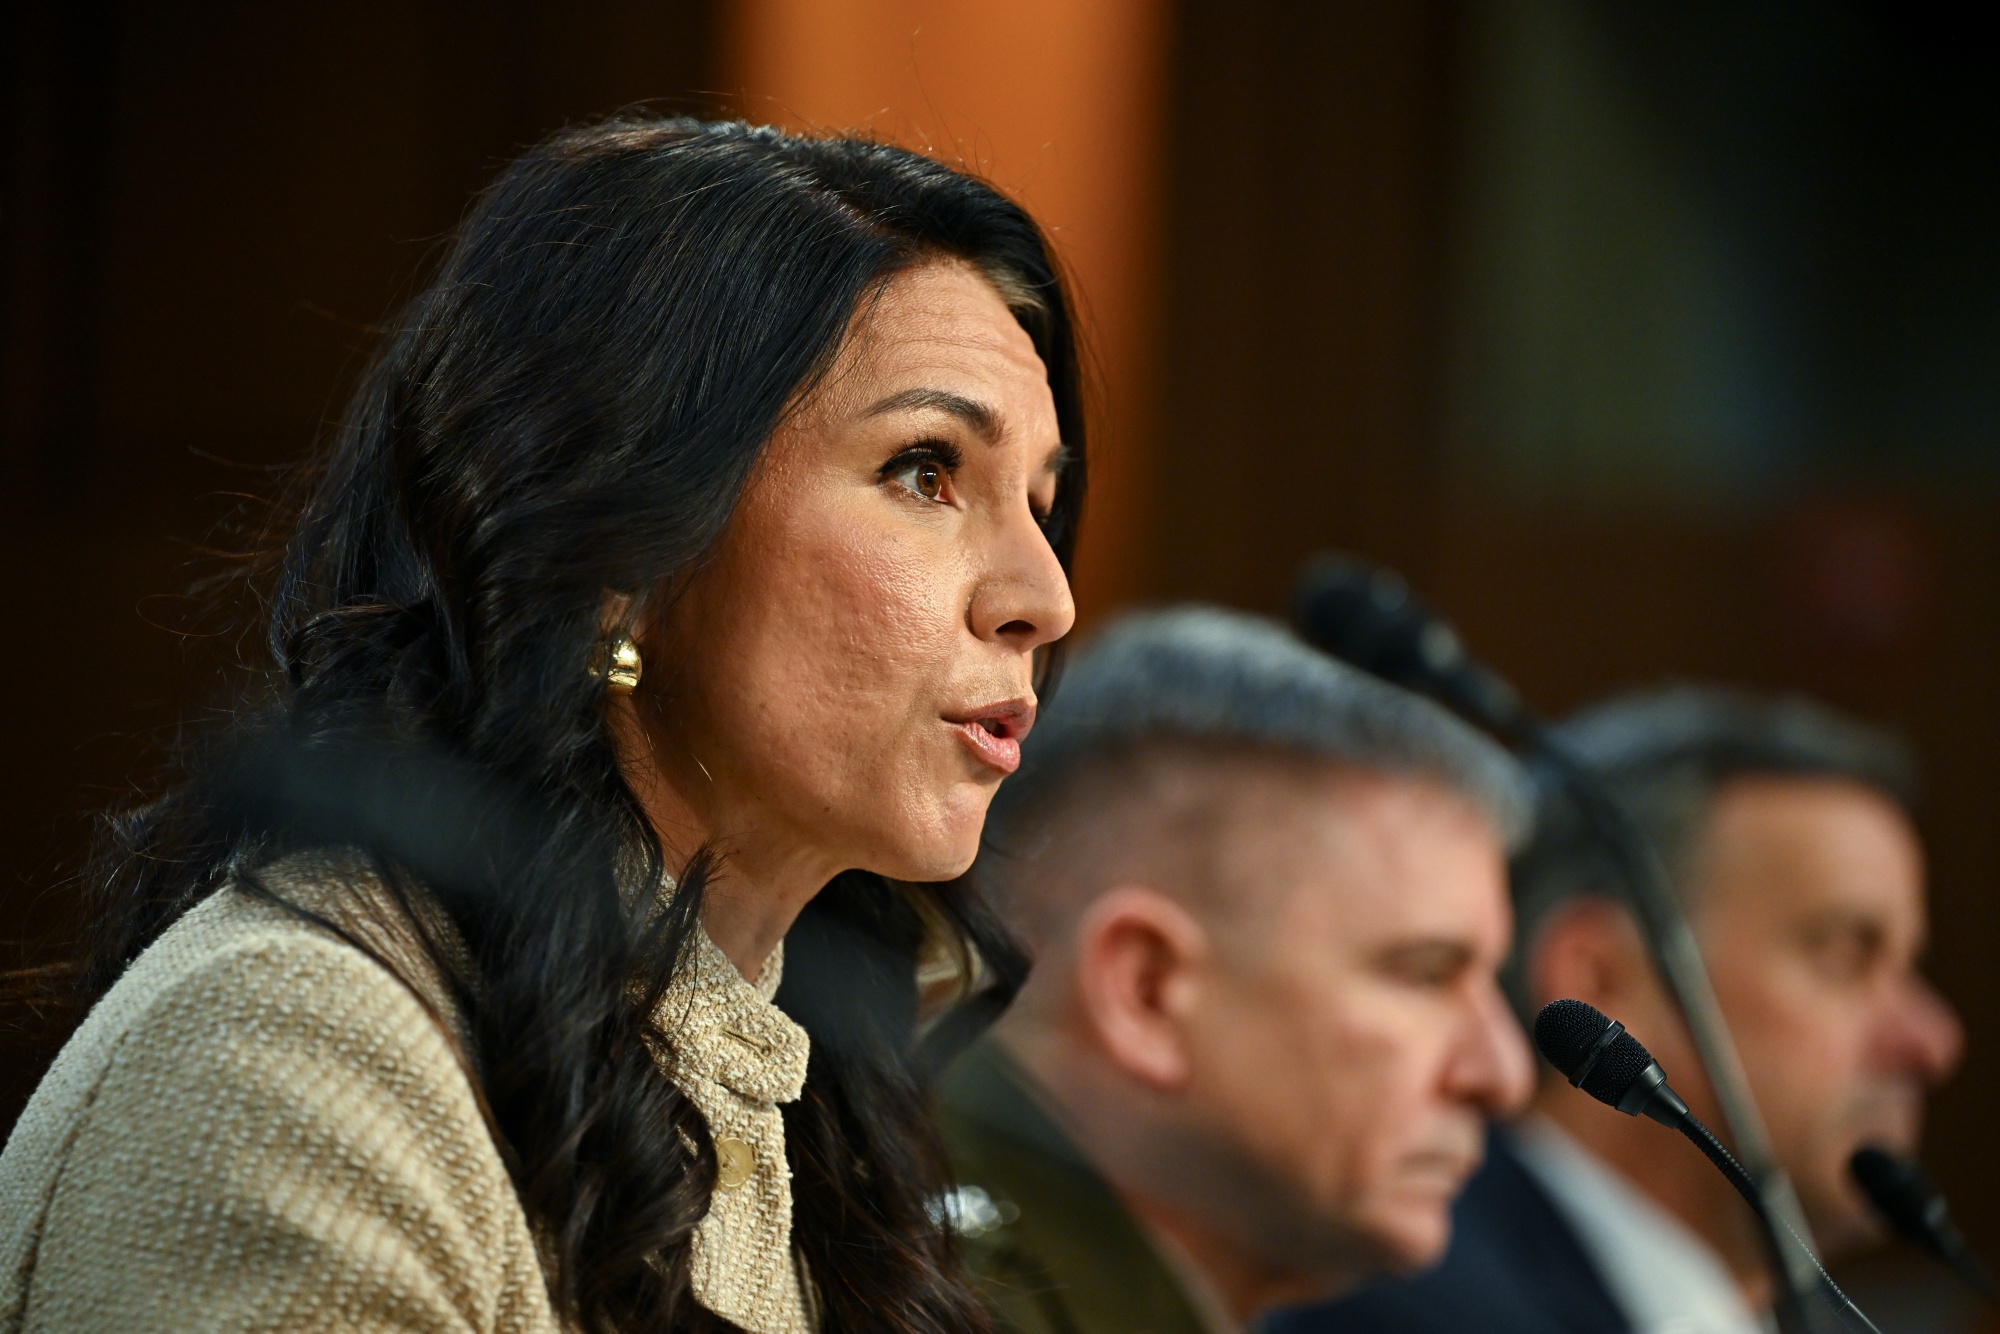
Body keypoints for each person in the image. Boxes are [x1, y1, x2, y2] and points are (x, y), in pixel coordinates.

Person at [0, 117, 1084, 1333]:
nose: (1044, 598)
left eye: (1039, 505)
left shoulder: (793, 1090)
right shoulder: (296, 1053)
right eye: (925, 470)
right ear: (620, 552)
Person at [1275, 686, 1965, 1334]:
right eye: (1844, 956)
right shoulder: (1418, 1309)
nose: (1932, 1041)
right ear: (1600, 981)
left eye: (1909, 969)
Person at [934, 606, 1538, 1334]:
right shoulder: (917, 1299)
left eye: (1490, 983)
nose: (1503, 1075)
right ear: (1147, 992)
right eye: (1426, 976)